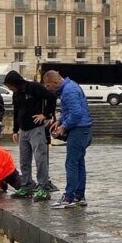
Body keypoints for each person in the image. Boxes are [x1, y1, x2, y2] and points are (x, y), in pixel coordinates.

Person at [3, 70, 57, 201]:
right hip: (23, 130)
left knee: (40, 158)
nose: (9, 88)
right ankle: (26, 185)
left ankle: (44, 187)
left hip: (36, 129)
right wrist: (15, 130)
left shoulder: (34, 87)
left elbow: (51, 97)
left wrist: (46, 115)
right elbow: (16, 112)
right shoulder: (16, 94)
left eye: (10, 85)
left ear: (15, 83)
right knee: (24, 160)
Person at [43, 70, 93, 209]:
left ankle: (69, 197)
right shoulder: (71, 86)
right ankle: (79, 196)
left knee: (71, 163)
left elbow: (76, 113)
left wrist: (64, 127)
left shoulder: (69, 91)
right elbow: (71, 110)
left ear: (55, 82)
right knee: (79, 162)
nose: (47, 89)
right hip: (84, 129)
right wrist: (59, 121)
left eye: (48, 86)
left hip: (78, 130)